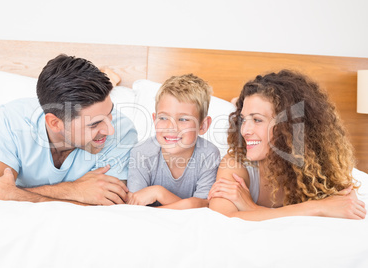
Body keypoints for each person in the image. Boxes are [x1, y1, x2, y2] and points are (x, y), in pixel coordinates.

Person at [0, 54, 137, 205]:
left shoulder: (123, 132)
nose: (110, 130)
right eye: (94, 124)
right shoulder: (13, 121)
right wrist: (74, 190)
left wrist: (14, 194)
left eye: (110, 114)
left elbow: (108, 204)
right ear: (54, 123)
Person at [208, 69, 366, 220]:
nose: (245, 130)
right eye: (243, 119)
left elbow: (347, 201)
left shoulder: (318, 166)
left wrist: (252, 209)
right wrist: (318, 207)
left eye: (257, 120)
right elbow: (221, 216)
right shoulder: (236, 164)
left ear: (289, 126)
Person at [127, 74, 220, 209]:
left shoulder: (209, 155)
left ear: (203, 126)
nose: (171, 127)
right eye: (164, 118)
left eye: (183, 119)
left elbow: (202, 210)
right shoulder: (141, 153)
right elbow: (135, 210)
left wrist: (159, 193)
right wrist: (189, 204)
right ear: (154, 119)